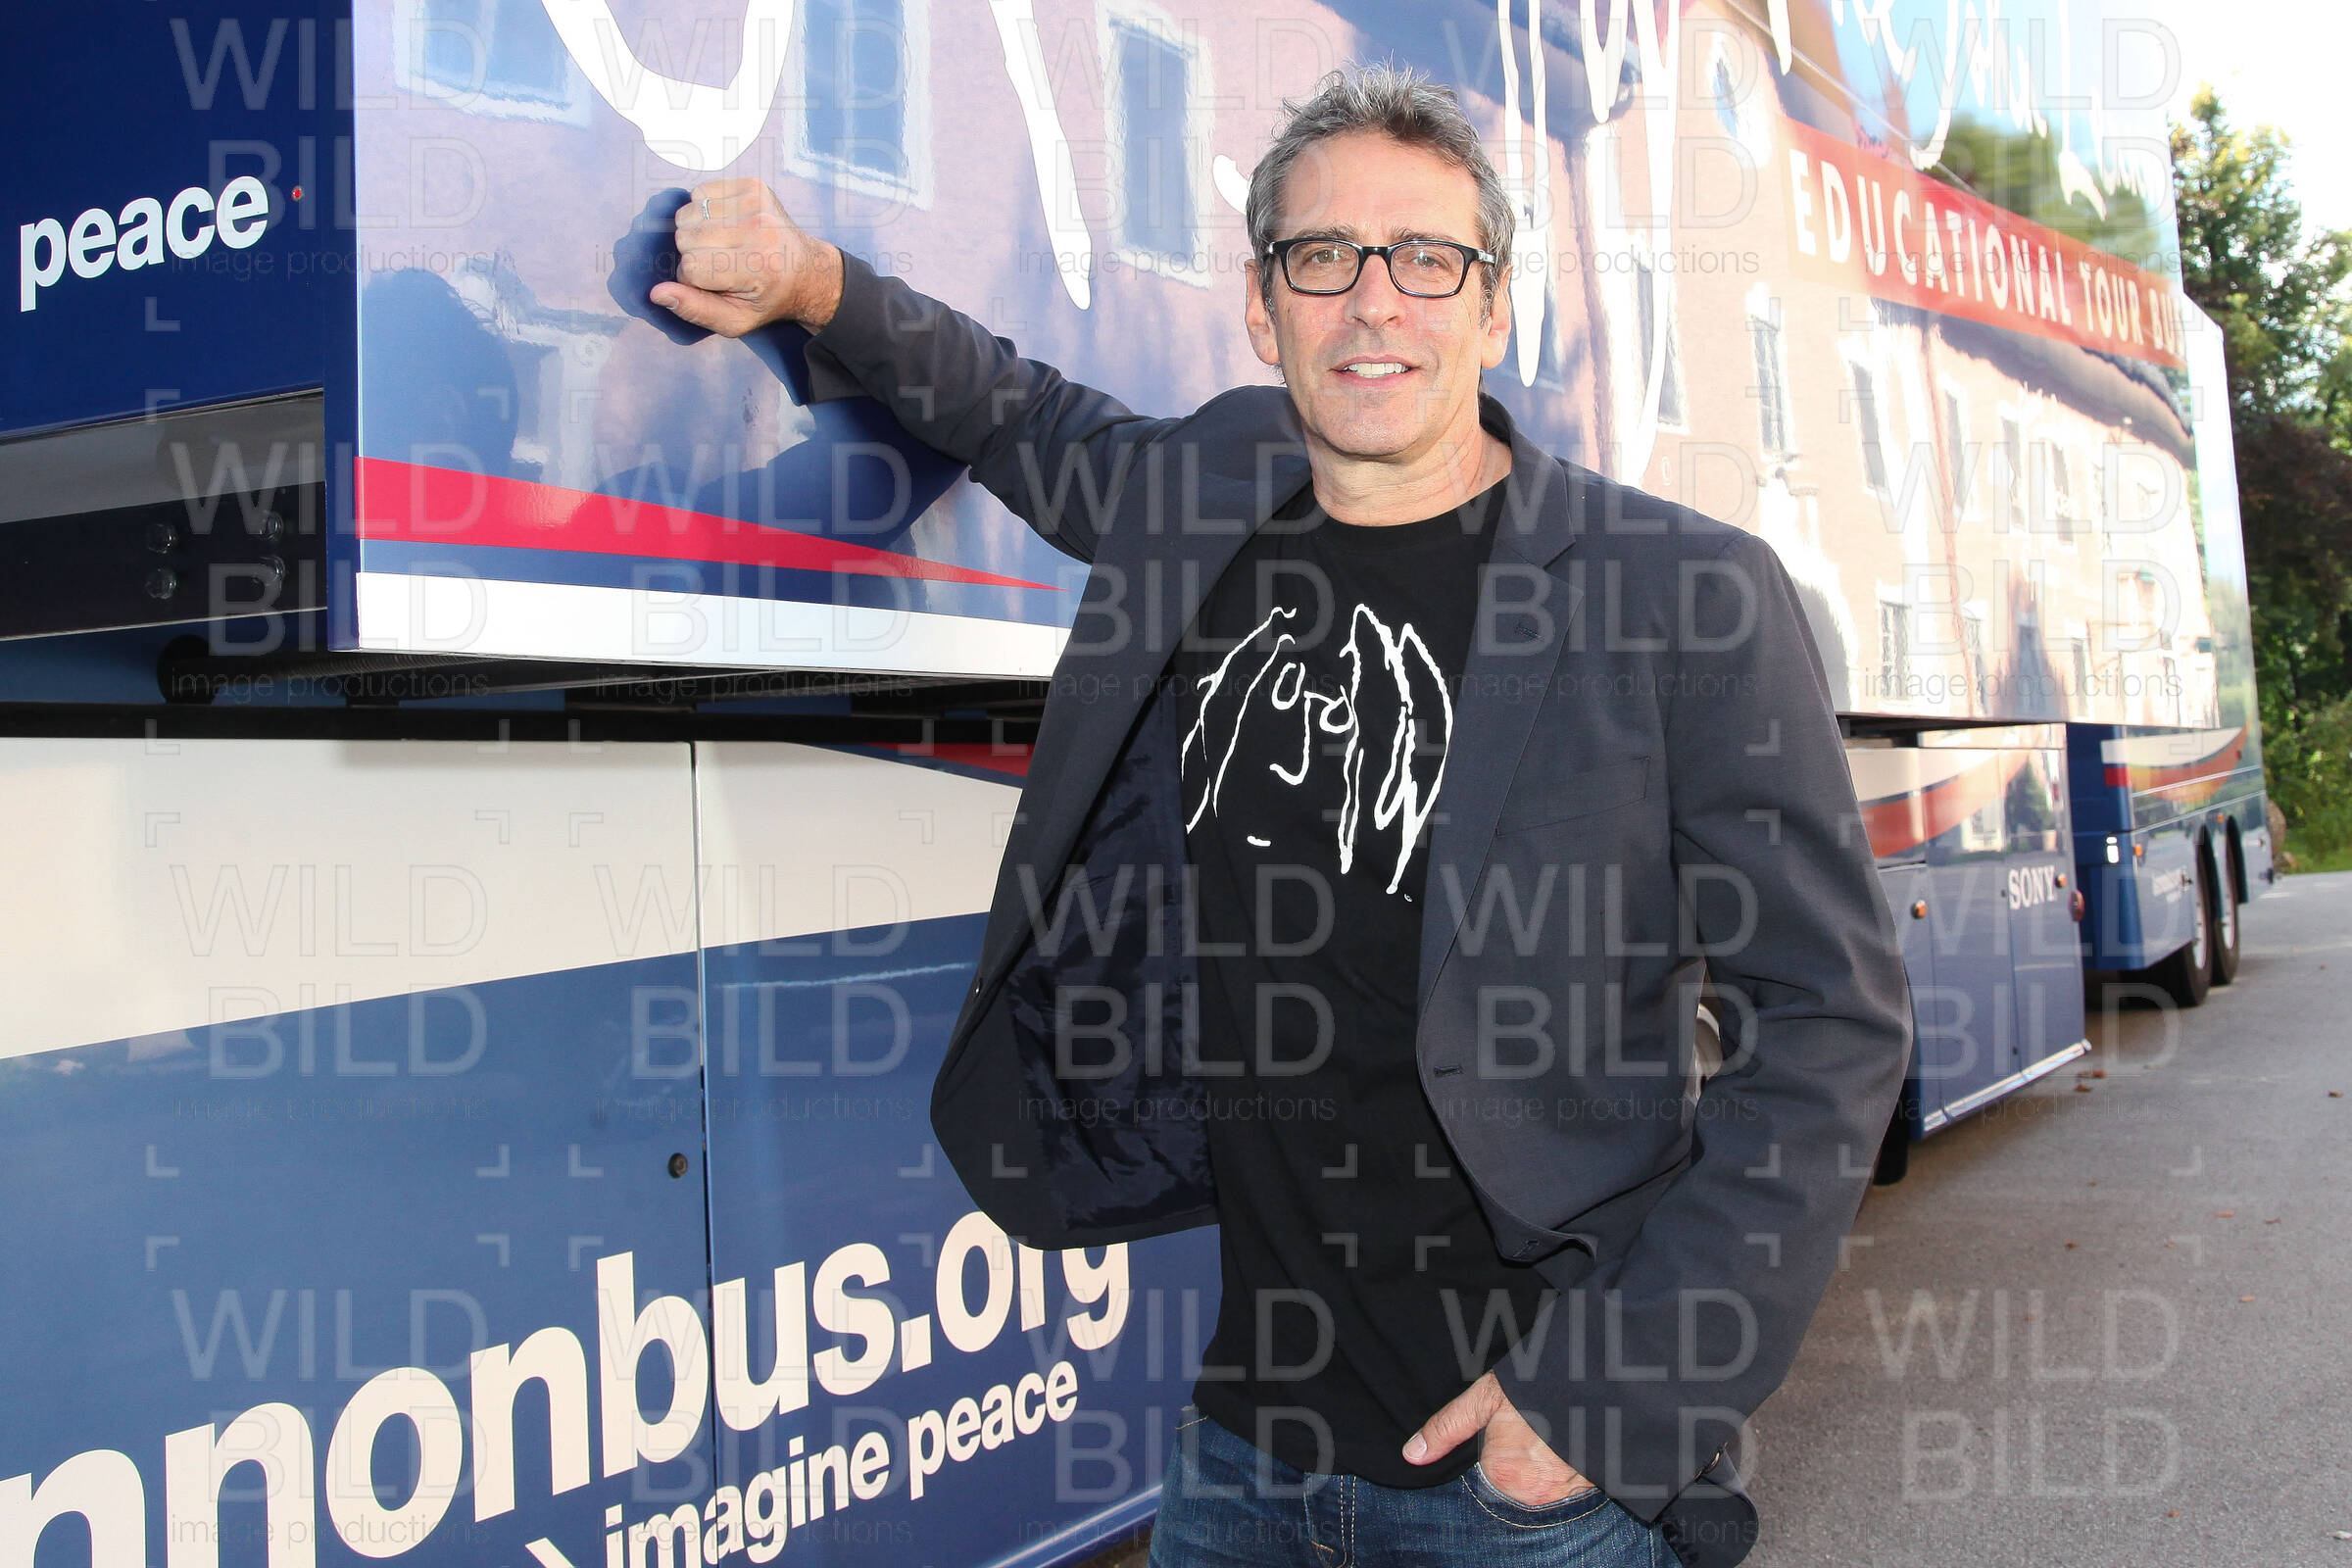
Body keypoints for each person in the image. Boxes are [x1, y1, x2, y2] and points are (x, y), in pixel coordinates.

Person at [652, 62, 1911, 1568]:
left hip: (1529, 1482)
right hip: (1243, 1454)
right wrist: (811, 282)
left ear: (1493, 308)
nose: (1375, 302)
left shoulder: (1681, 594)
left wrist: (1612, 1400)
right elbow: (1015, 411)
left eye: (1427, 258)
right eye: (1324, 258)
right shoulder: (1212, 494)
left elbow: (1830, 1023)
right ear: (1264, 307)